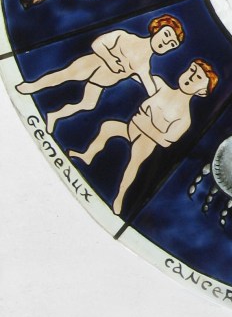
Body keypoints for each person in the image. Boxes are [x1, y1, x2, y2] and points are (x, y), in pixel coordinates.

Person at [69, 59, 218, 215]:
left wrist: (149, 126)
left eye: (198, 77)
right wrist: (129, 65)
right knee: (107, 127)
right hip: (131, 127)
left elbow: (166, 141)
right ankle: (88, 155)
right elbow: (140, 76)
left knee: (132, 166)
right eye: (191, 70)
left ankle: (119, 197)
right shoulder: (160, 86)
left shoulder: (184, 118)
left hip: (145, 141)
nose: (191, 77)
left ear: (202, 92)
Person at [16, 15, 184, 133]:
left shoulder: (143, 66)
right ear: (156, 28)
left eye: (172, 44)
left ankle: (55, 116)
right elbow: (98, 44)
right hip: (92, 65)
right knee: (62, 76)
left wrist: (171, 101)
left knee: (88, 104)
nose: (166, 42)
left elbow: (151, 89)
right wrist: (111, 60)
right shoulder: (126, 37)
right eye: (166, 34)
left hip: (101, 82)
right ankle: (32, 86)